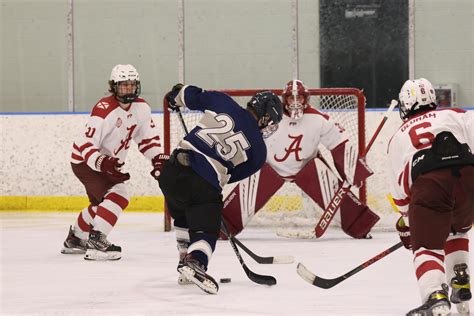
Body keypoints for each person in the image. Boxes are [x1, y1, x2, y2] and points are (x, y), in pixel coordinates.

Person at [158, 84, 283, 294]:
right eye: (271, 121)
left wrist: (175, 96)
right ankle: (195, 262)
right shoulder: (259, 152)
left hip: (170, 172)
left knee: (183, 216)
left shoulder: (223, 101)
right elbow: (229, 176)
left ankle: (184, 258)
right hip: (202, 182)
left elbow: (187, 94)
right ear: (264, 115)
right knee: (207, 230)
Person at [221, 79, 378, 239]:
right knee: (239, 204)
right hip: (270, 167)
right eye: (291, 98)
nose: (295, 103)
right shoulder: (270, 117)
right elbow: (248, 136)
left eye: (300, 98)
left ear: (306, 99)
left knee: (338, 199)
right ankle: (221, 227)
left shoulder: (319, 119)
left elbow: (338, 144)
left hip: (307, 169)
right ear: (284, 99)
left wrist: (352, 170)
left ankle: (361, 227)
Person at [61, 64, 167, 261]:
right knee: (119, 194)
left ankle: (76, 239)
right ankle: (97, 241)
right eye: (124, 85)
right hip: (85, 161)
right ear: (114, 86)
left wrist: (157, 159)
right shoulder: (104, 110)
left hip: (106, 163)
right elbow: (85, 143)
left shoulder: (141, 108)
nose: (129, 88)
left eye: (132, 84)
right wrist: (102, 162)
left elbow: (147, 139)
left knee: (101, 205)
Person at [388, 78, 473, 315]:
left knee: (427, 246)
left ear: (405, 105)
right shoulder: (456, 115)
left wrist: (409, 223)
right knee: (457, 229)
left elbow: (400, 191)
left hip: (430, 185)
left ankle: (435, 296)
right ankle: (460, 282)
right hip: (469, 181)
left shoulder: (398, 137)